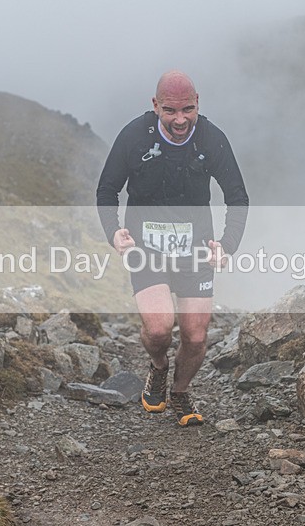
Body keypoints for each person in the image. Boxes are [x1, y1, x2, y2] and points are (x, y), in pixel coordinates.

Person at [96, 70, 249, 426]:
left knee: (195, 336)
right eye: (170, 111)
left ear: (198, 104)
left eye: (188, 110)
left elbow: (237, 197)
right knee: (161, 328)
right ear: (155, 106)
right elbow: (107, 190)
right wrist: (114, 232)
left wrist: (227, 245)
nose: (180, 119)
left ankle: (180, 392)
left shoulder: (212, 139)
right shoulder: (134, 136)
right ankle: (159, 367)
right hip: (146, 249)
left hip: (195, 250)